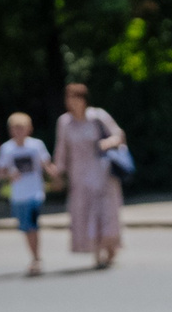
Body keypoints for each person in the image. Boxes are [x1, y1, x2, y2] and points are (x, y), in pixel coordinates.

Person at [53, 83, 128, 270]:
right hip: (79, 176)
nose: (72, 102)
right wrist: (58, 173)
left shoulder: (98, 116)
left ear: (83, 100)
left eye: (75, 98)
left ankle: (109, 247)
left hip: (102, 172)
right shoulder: (64, 122)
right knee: (87, 214)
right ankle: (97, 253)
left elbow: (119, 135)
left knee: (106, 213)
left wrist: (107, 143)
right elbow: (62, 149)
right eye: (69, 98)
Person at [0, 112, 53, 277]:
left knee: (33, 226)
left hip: (35, 193)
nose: (18, 131)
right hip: (19, 195)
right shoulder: (7, 149)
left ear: (29, 129)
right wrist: (9, 175)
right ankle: (34, 257)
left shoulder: (36, 145)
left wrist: (56, 177)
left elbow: (46, 165)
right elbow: (0, 172)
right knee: (26, 228)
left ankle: (36, 259)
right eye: (15, 128)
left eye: (21, 128)